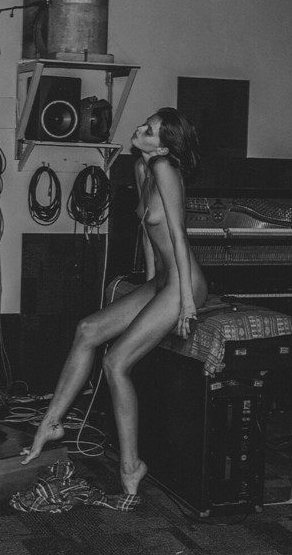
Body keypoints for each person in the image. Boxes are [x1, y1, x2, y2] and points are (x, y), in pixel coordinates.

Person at [20, 107, 208, 509]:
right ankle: (50, 424)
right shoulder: (142, 168)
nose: (140, 129)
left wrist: (187, 303)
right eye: (144, 124)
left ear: (165, 145)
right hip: (162, 282)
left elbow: (178, 233)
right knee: (87, 330)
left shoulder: (165, 170)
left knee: (115, 362)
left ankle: (131, 466)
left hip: (184, 283)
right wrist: (145, 285)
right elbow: (148, 233)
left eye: (150, 130)